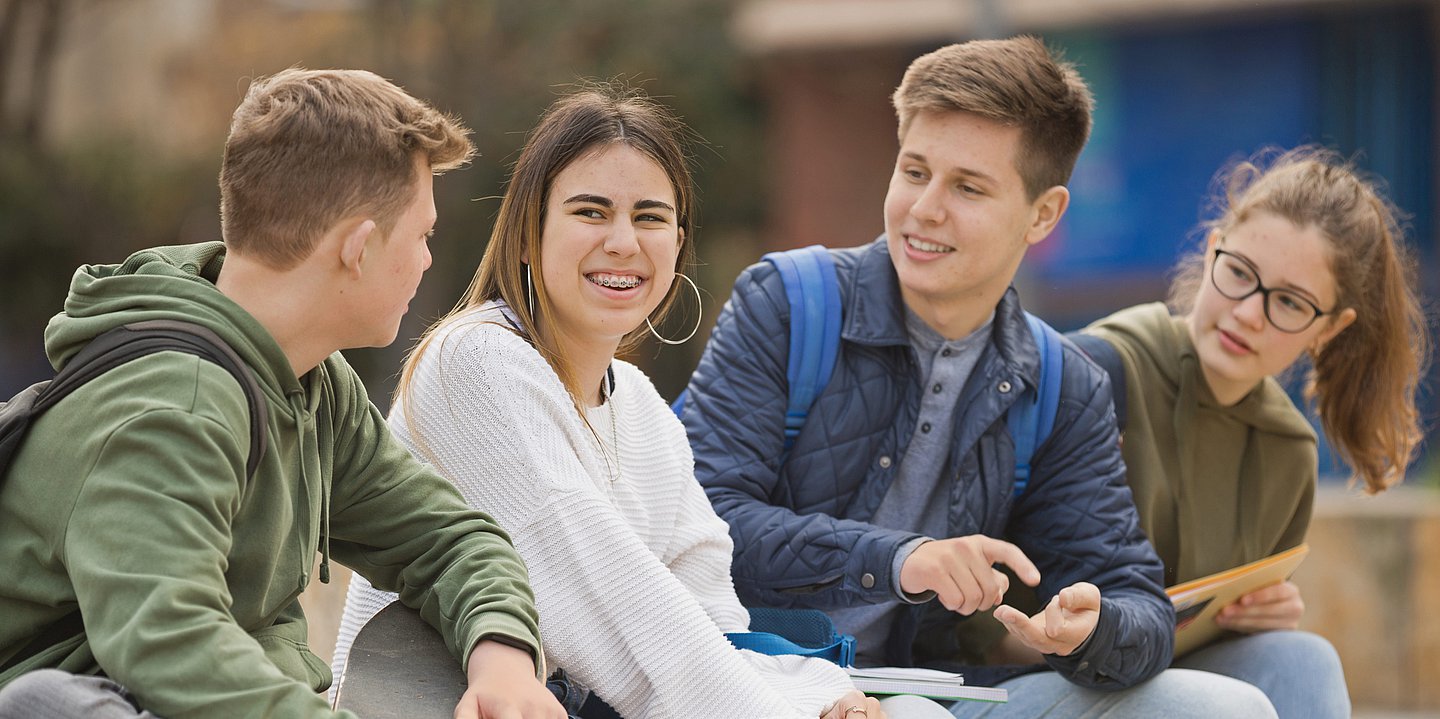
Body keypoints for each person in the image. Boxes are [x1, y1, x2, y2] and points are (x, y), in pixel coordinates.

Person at [680, 37, 1279, 717]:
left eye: (967, 187)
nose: (924, 209)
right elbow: (701, 520)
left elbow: (1133, 594)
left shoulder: (1063, 385)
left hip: (931, 687)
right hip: (755, 680)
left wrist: (1095, 627)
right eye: (914, 171)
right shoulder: (787, 302)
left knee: (1227, 708)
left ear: (1043, 214)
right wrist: (903, 559)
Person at [329, 85, 953, 719]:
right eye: (591, 212)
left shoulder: (646, 411)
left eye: (650, 217)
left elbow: (710, 619)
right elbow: (608, 601)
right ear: (526, 235)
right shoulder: (476, 362)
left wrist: (820, 697)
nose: (624, 242)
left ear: (678, 244)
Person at [0, 69, 564, 719]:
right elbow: (171, 648)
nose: (430, 259)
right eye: (422, 235)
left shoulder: (311, 380)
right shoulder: (171, 409)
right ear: (357, 247)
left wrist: (503, 658)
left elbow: (446, 537)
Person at [1069, 145, 1429, 717]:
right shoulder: (1094, 371)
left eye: (1289, 302)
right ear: (1213, 249)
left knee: (1301, 658)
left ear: (1329, 329)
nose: (1248, 313)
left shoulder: (1287, 453)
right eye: (1239, 273)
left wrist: (1251, 621)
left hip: (1168, 681)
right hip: (1044, 672)